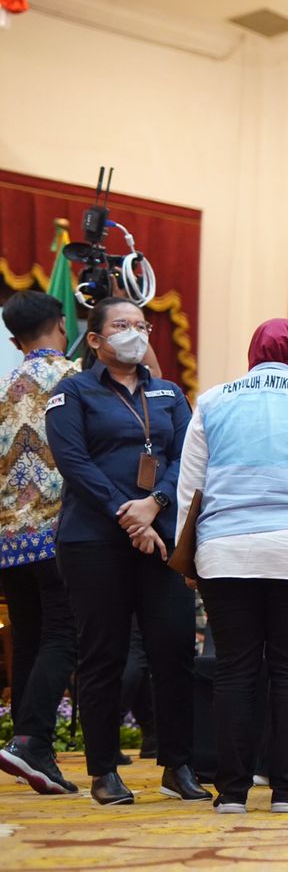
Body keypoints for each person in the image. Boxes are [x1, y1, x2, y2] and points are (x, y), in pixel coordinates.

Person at [175, 319, 288, 814]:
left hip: (224, 551)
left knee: (234, 670)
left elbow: (190, 487)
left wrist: (188, 556)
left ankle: (231, 793)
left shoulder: (213, 401)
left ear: (252, 352)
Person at [43, 297, 210, 805]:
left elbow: (189, 457)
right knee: (104, 654)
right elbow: (74, 463)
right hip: (93, 541)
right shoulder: (71, 393)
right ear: (95, 339)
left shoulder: (169, 394)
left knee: (175, 649)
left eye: (141, 325)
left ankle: (178, 764)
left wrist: (155, 503)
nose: (134, 333)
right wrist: (127, 513)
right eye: (122, 325)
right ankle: (103, 771)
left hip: (160, 538)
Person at [0, 292, 81, 795]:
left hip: (9, 541)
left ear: (14, 341)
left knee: (29, 638)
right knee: (63, 636)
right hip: (61, 535)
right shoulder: (79, 379)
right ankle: (33, 741)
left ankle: (30, 748)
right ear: (62, 324)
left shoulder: (3, 386)